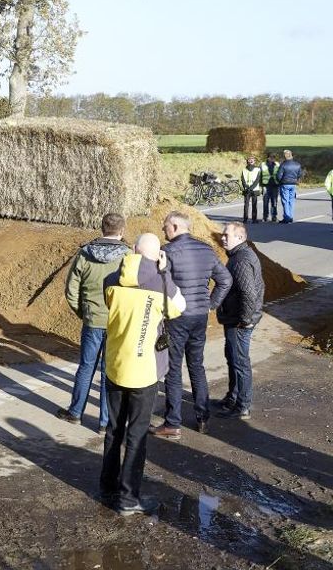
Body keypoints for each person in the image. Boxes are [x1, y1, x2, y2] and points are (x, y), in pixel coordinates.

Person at [100, 234, 185, 516]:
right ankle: (128, 498)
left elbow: (110, 303)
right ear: (157, 255)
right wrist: (165, 273)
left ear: (134, 250)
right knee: (136, 434)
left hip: (115, 364)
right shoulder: (160, 284)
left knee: (114, 429)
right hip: (145, 369)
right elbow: (179, 307)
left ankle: (108, 485)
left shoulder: (111, 281)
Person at [154, 212, 232, 437]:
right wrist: (211, 304)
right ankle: (202, 417)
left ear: (175, 226)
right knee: (197, 365)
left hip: (177, 317)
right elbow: (225, 280)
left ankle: (172, 423)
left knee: (173, 369)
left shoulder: (167, 252)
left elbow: (162, 285)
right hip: (199, 316)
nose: (163, 230)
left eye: (165, 227)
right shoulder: (206, 250)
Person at [57, 213, 130, 432]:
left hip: (92, 320)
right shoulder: (129, 256)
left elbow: (71, 290)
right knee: (109, 371)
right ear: (122, 230)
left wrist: (84, 312)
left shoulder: (84, 254)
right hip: (117, 321)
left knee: (86, 366)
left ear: (102, 228)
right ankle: (105, 422)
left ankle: (75, 412)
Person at [215, 222, 264, 420]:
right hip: (235, 318)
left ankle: (242, 406)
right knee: (233, 358)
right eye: (223, 234)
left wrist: (245, 320)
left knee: (240, 363)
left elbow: (248, 293)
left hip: (238, 321)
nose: (222, 238)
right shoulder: (239, 255)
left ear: (240, 238)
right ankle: (232, 398)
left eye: (227, 235)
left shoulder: (241, 259)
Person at [276, 149, 304, 224]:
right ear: (291, 155)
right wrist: (296, 180)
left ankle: (287, 217)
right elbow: (300, 174)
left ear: (285, 156)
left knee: (285, 201)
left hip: (285, 184)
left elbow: (279, 176)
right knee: (291, 200)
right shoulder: (297, 164)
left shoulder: (283, 165)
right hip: (293, 184)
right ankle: (290, 216)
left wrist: (280, 181)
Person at [240, 155, 262, 224]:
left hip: (247, 189)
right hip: (254, 189)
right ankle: (254, 219)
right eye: (251, 159)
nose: (251, 160)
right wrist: (251, 188)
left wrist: (247, 187)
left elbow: (243, 180)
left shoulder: (244, 170)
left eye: (252, 159)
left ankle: (245, 219)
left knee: (247, 205)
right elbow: (257, 180)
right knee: (253, 204)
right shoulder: (257, 169)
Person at [261, 152, 280, 222]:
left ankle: (274, 216)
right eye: (271, 157)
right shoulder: (263, 164)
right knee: (265, 202)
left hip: (275, 185)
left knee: (274, 202)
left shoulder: (277, 164)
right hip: (266, 185)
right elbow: (260, 175)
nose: (272, 159)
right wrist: (260, 185)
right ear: (268, 158)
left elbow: (280, 174)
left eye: (273, 157)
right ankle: (265, 216)